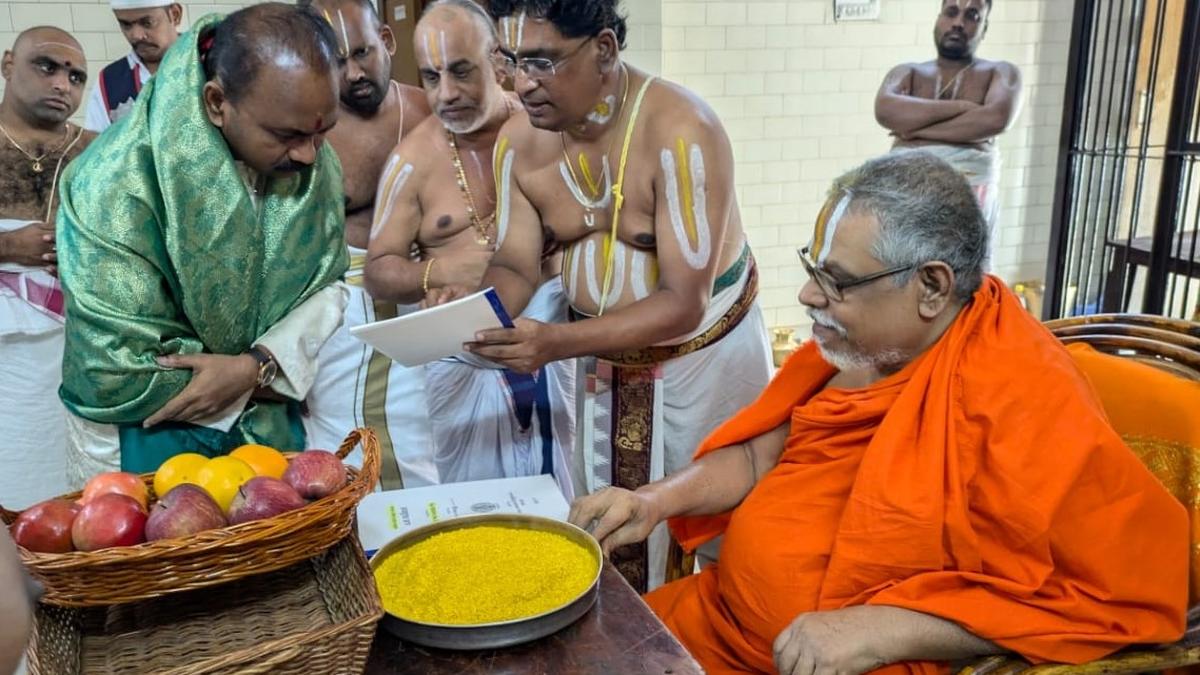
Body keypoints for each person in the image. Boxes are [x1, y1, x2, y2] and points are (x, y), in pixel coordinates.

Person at [569, 151, 1188, 675]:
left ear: (933, 287)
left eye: (836, 281)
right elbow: (762, 452)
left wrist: (886, 629)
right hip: (714, 622)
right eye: (813, 267)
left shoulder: (1021, 394)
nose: (810, 296)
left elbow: (1092, 596)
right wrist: (653, 500)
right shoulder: (858, 345)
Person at [432, 0, 773, 591]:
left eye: (542, 61)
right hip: (600, 368)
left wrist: (556, 342)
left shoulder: (681, 130)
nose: (521, 83)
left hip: (704, 361)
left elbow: (683, 303)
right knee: (611, 521)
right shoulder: (520, 140)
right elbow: (515, 261)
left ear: (606, 49)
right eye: (510, 61)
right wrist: (479, 309)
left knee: (725, 534)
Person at [56, 3, 350, 482]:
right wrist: (248, 377)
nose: (308, 154)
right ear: (217, 104)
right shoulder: (110, 183)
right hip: (141, 441)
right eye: (286, 135)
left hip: (268, 428)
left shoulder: (311, 159)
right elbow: (115, 358)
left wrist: (256, 366)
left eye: (323, 132)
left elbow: (328, 286)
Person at [364, 0, 576, 495]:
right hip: (461, 361)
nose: (447, 93)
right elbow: (378, 269)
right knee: (479, 508)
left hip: (553, 346)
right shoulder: (412, 160)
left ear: (499, 62)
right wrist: (438, 273)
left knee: (570, 498)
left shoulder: (547, 131)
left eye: (461, 72)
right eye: (432, 77)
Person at [299, 0, 435, 487]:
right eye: (337, 61)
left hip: (427, 308)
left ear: (388, 40)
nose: (354, 72)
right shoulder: (305, 133)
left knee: (430, 446)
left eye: (363, 52)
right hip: (342, 318)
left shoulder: (430, 111)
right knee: (350, 458)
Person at [0, 27, 95, 507]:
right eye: (48, 67)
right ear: (7, 65)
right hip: (5, 364)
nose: (63, 84)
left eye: (76, 77)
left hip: (83, 347)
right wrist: (6, 247)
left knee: (79, 492)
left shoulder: (102, 152)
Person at [874, 0, 1021, 233]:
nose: (958, 23)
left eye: (972, 15)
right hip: (907, 191)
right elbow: (884, 111)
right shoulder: (907, 71)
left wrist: (916, 131)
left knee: (961, 265)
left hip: (971, 194)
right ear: (938, 18)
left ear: (985, 27)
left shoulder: (1001, 72)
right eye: (951, 12)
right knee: (902, 261)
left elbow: (996, 119)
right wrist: (963, 107)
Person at [84, 0, 183, 132]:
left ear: (175, 15)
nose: (136, 36)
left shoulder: (206, 63)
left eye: (147, 23)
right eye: (126, 25)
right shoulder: (108, 82)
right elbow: (97, 147)